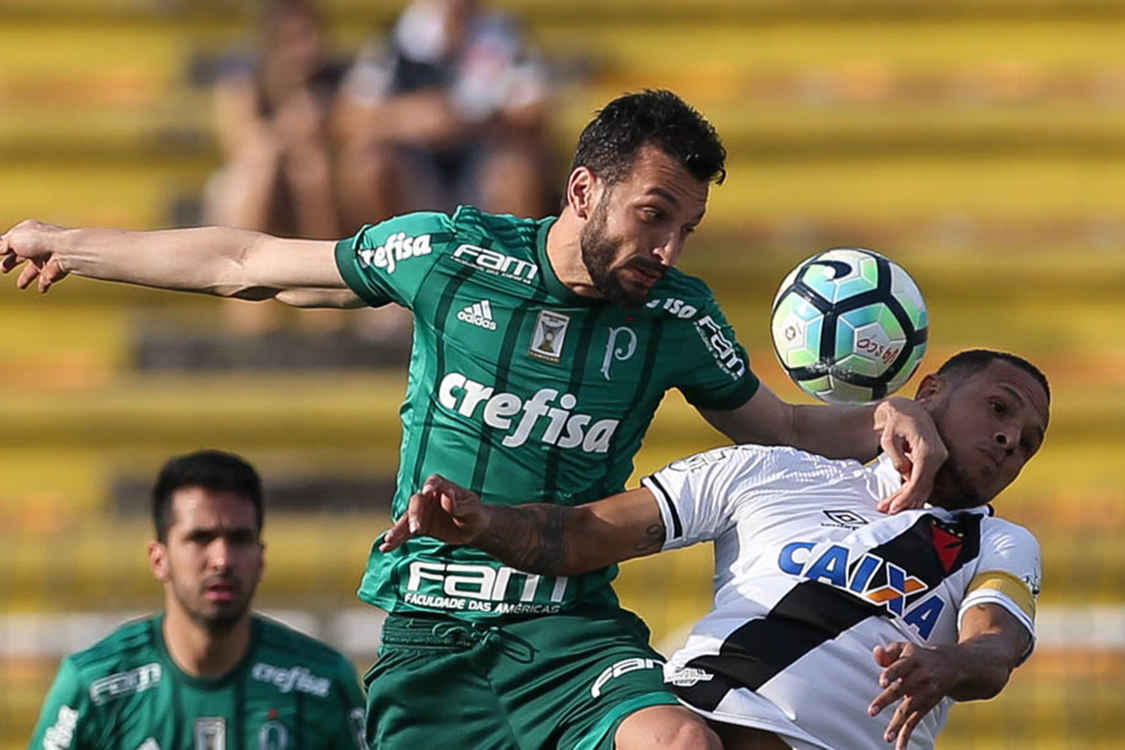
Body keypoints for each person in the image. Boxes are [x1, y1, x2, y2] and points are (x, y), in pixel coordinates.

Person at [3, 90, 947, 749]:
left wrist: (883, 417)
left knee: (677, 742)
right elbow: (245, 262)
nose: (666, 248)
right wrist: (67, 244)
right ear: (584, 189)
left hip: (568, 630)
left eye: (684, 229)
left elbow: (779, 427)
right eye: (654, 215)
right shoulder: (448, 256)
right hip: (429, 635)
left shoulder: (675, 316)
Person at [383, 349, 1050, 750]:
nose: (1008, 440)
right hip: (691, 720)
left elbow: (994, 648)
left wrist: (947, 662)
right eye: (999, 409)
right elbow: (582, 535)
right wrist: (482, 524)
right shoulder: (769, 470)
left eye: (1026, 440)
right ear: (929, 391)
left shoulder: (996, 543)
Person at [28, 450, 366, 750]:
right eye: (199, 538)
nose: (222, 559)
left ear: (261, 558)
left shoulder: (322, 684)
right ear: (159, 559)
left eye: (239, 539)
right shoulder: (93, 686)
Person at [334, 0, 554, 226]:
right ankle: (380, 253)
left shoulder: (508, 36)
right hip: (415, 161)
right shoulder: (394, 38)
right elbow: (349, 115)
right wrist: (408, 117)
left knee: (517, 171)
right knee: (368, 166)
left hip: (483, 157)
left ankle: (511, 254)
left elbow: (534, 111)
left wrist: (470, 119)